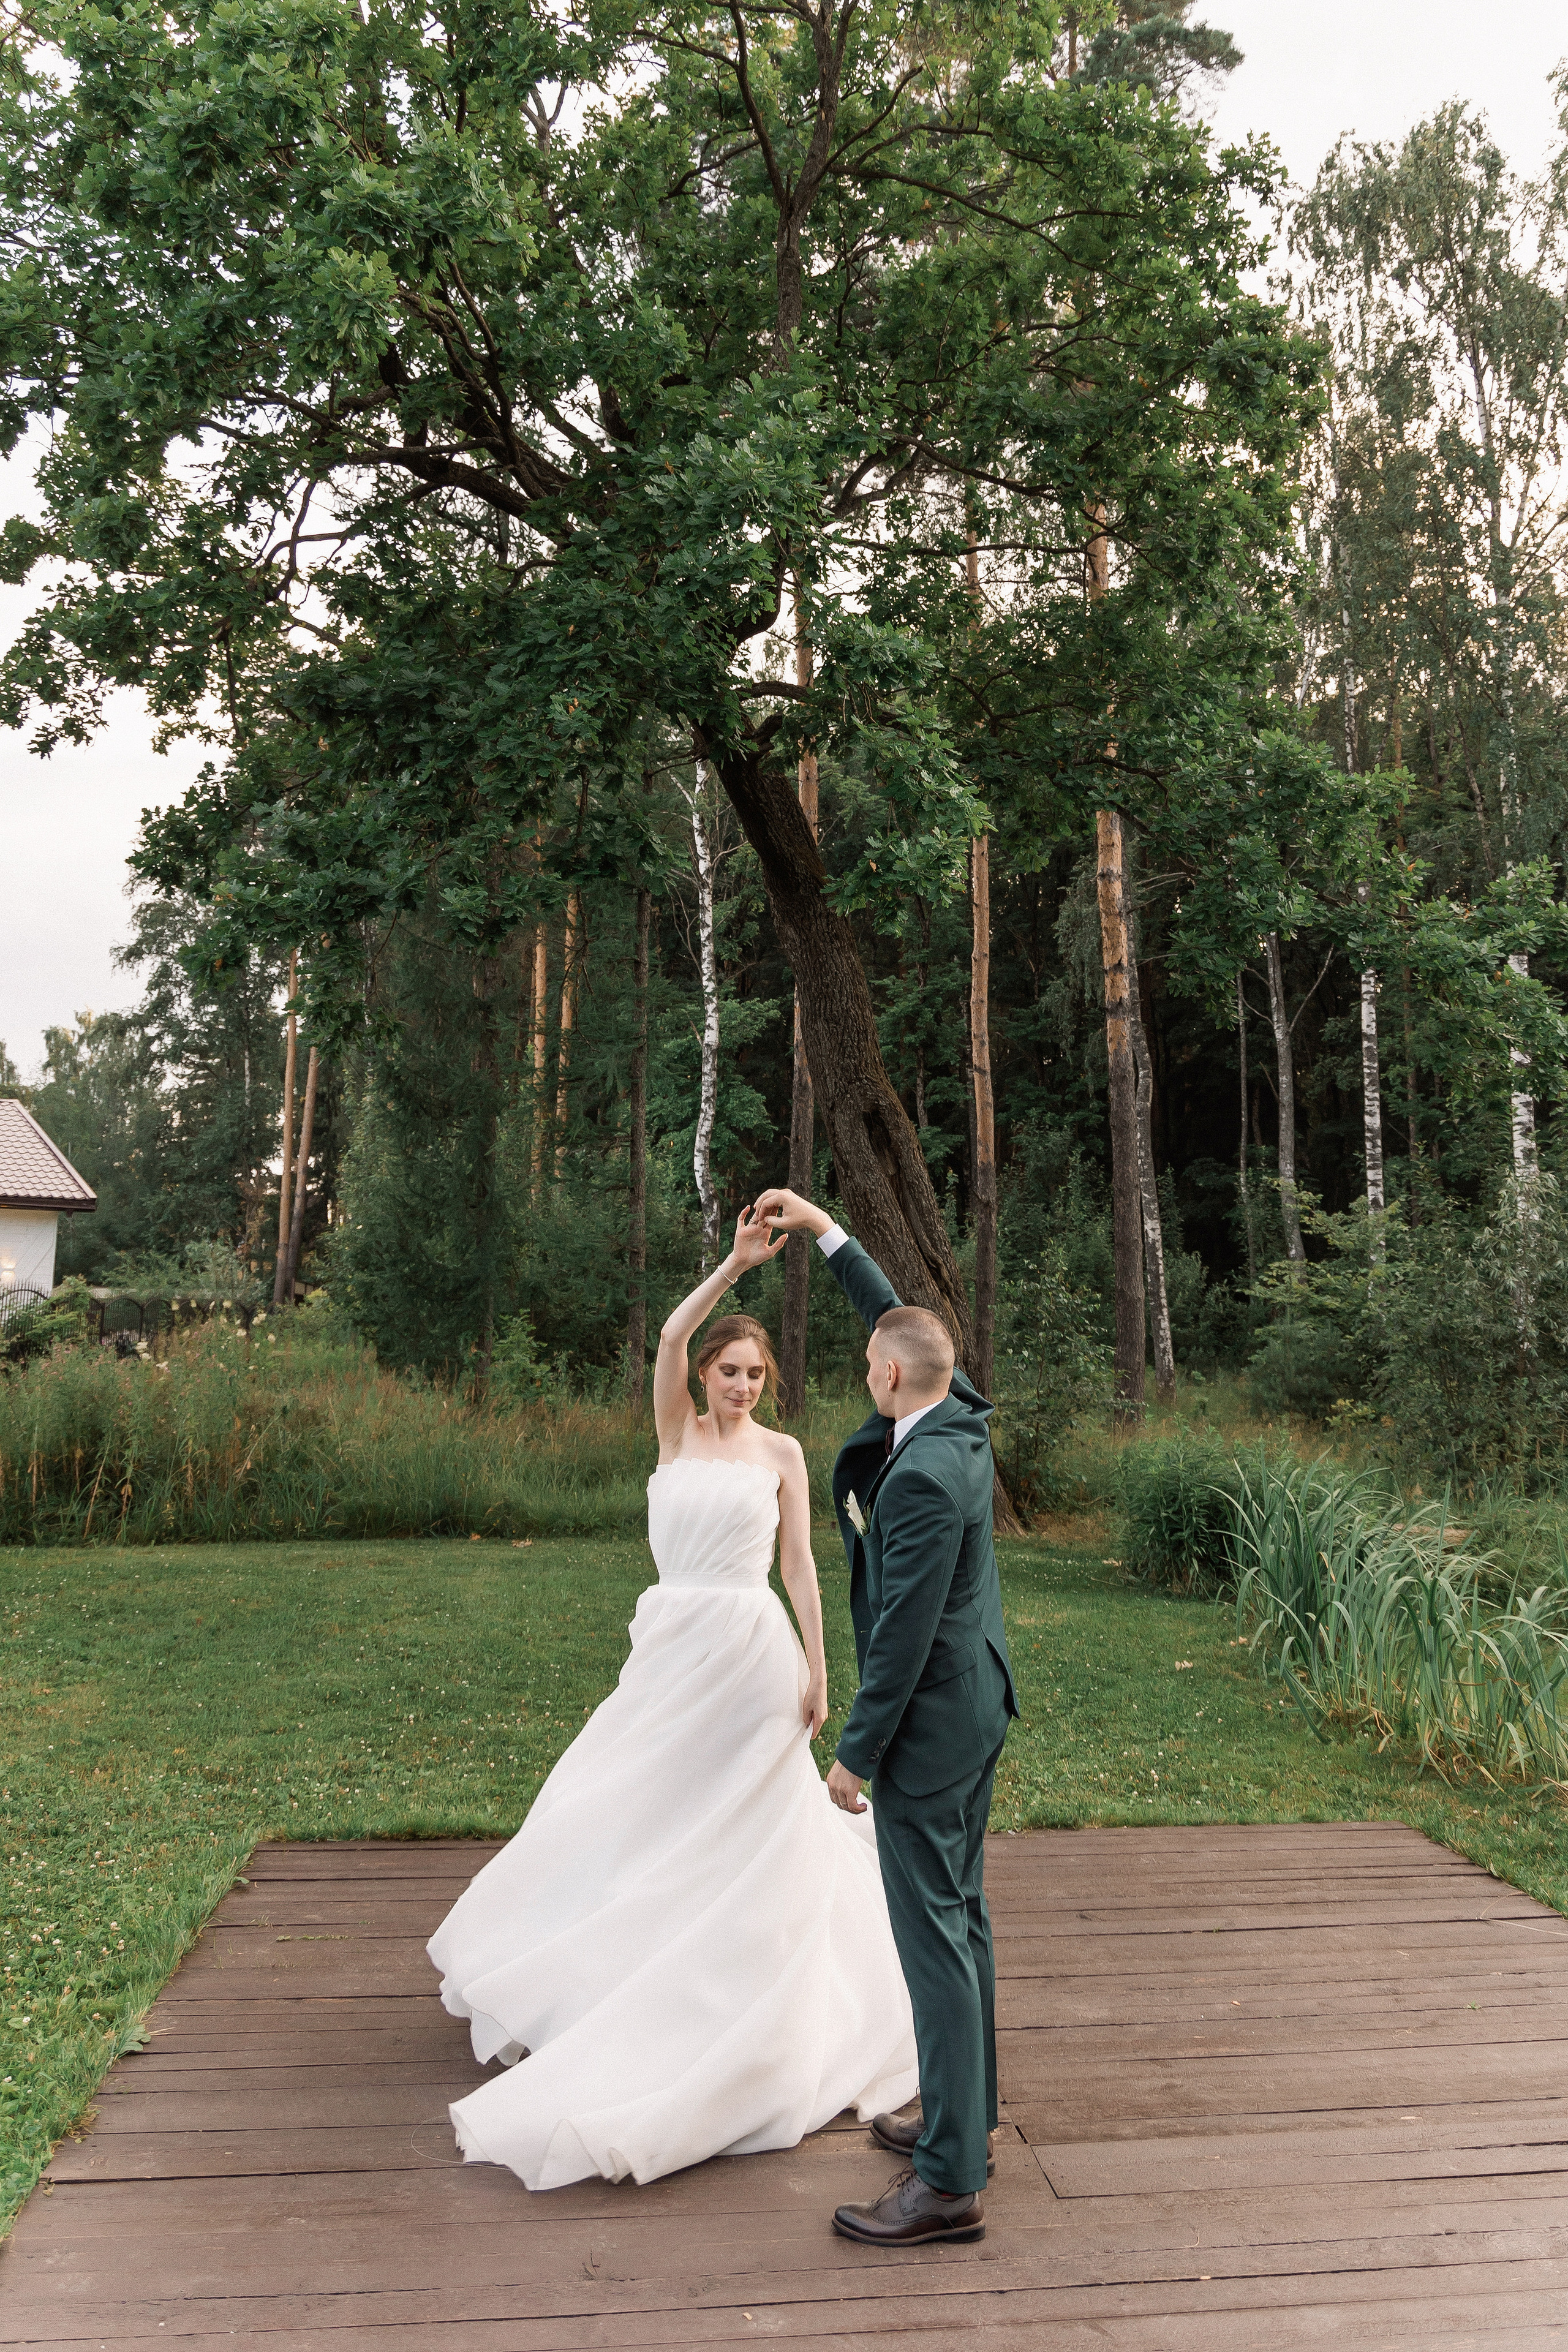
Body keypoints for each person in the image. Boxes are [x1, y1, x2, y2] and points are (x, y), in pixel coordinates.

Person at [426, 1203, 917, 2190]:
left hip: (752, 1651)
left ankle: (736, 1983)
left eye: (753, 1375)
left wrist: (822, 1668)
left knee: (743, 1818)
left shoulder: (780, 1455)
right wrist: (735, 1267)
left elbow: (802, 1570)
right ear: (704, 1377)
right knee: (633, 1795)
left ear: (765, 1384)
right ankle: (602, 1978)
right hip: (672, 1646)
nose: (739, 1384)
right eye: (728, 1370)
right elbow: (666, 1332)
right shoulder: (675, 1432)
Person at [755, 1187, 1018, 2248]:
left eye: (872, 1365)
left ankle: (949, 2183)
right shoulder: (959, 1409)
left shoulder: (919, 1480)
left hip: (930, 1724)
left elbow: (903, 1635)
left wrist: (856, 1754)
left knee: (934, 1940)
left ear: (893, 1379)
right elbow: (902, 1319)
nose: (866, 1370)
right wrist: (827, 1234)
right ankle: (966, 2118)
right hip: (977, 1704)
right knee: (966, 1917)